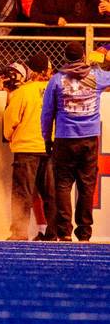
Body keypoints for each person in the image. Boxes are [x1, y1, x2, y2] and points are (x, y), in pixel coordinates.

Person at [41, 41, 110, 242]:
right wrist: (104, 59)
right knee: (87, 185)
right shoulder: (96, 76)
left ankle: (64, 231)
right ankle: (85, 231)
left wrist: (47, 137)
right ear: (82, 56)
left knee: (62, 185)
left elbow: (47, 112)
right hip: (89, 138)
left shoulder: (56, 80)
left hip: (64, 137)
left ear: (65, 57)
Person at [4, 53, 55, 241]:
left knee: (22, 193)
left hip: (26, 147)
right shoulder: (57, 89)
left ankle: (19, 231)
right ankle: (56, 231)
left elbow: (10, 122)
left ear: (31, 70)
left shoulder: (23, 91)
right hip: (51, 146)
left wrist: (11, 138)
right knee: (52, 192)